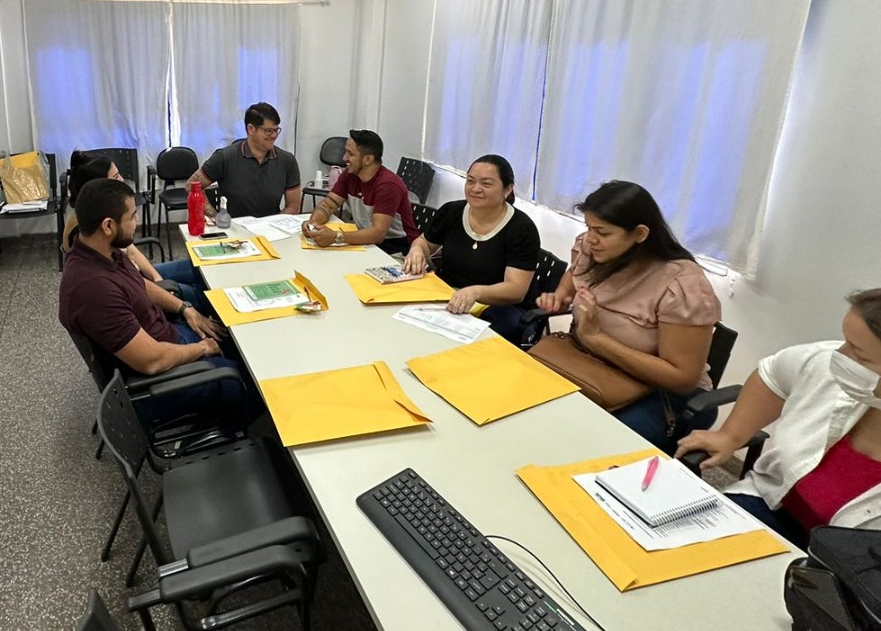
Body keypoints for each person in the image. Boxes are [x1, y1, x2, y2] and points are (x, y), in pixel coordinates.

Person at [677, 286, 881, 546]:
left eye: (859, 354)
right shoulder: (842, 372)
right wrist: (730, 435)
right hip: (767, 506)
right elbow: (774, 373)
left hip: (858, 570)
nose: (838, 355)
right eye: (846, 341)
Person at [535, 180, 719, 451]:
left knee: (589, 446)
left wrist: (596, 339)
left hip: (661, 393)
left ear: (640, 234)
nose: (590, 239)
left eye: (602, 232)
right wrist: (562, 295)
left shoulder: (681, 285)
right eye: (589, 227)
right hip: (590, 362)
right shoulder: (592, 250)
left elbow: (682, 378)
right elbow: (575, 275)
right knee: (524, 402)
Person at [59, 178, 245, 425]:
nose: (136, 222)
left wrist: (184, 308)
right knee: (251, 382)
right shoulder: (93, 288)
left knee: (242, 340)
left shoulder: (103, 252)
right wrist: (202, 348)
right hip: (155, 383)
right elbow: (151, 361)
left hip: (168, 339)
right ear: (108, 226)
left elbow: (138, 284)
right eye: (132, 216)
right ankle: (235, 430)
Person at [401, 155, 540, 343]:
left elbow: (516, 290)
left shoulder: (522, 229)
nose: (475, 189)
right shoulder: (451, 211)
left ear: (507, 189)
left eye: (486, 184)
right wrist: (417, 250)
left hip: (496, 307)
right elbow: (425, 243)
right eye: (470, 181)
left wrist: (475, 292)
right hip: (448, 294)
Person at [61, 152, 210, 316]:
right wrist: (168, 293)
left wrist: (157, 278)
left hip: (134, 274)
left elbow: (130, 251)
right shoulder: (87, 232)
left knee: (199, 268)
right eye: (116, 177)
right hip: (134, 287)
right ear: (99, 186)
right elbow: (128, 283)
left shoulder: (99, 213)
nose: (122, 180)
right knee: (202, 295)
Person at [301, 130, 419, 255]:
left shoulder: (388, 185)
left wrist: (336, 237)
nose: (344, 158)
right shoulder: (350, 174)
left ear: (368, 159)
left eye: (350, 154)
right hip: (369, 244)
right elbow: (328, 205)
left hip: (397, 250)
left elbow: (378, 234)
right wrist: (313, 223)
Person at [189, 103, 301, 219]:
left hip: (270, 226)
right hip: (233, 225)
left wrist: (270, 223)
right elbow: (191, 186)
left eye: (276, 130)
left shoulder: (287, 161)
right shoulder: (225, 157)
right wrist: (215, 216)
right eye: (268, 131)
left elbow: (293, 206)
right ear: (251, 129)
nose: (274, 135)